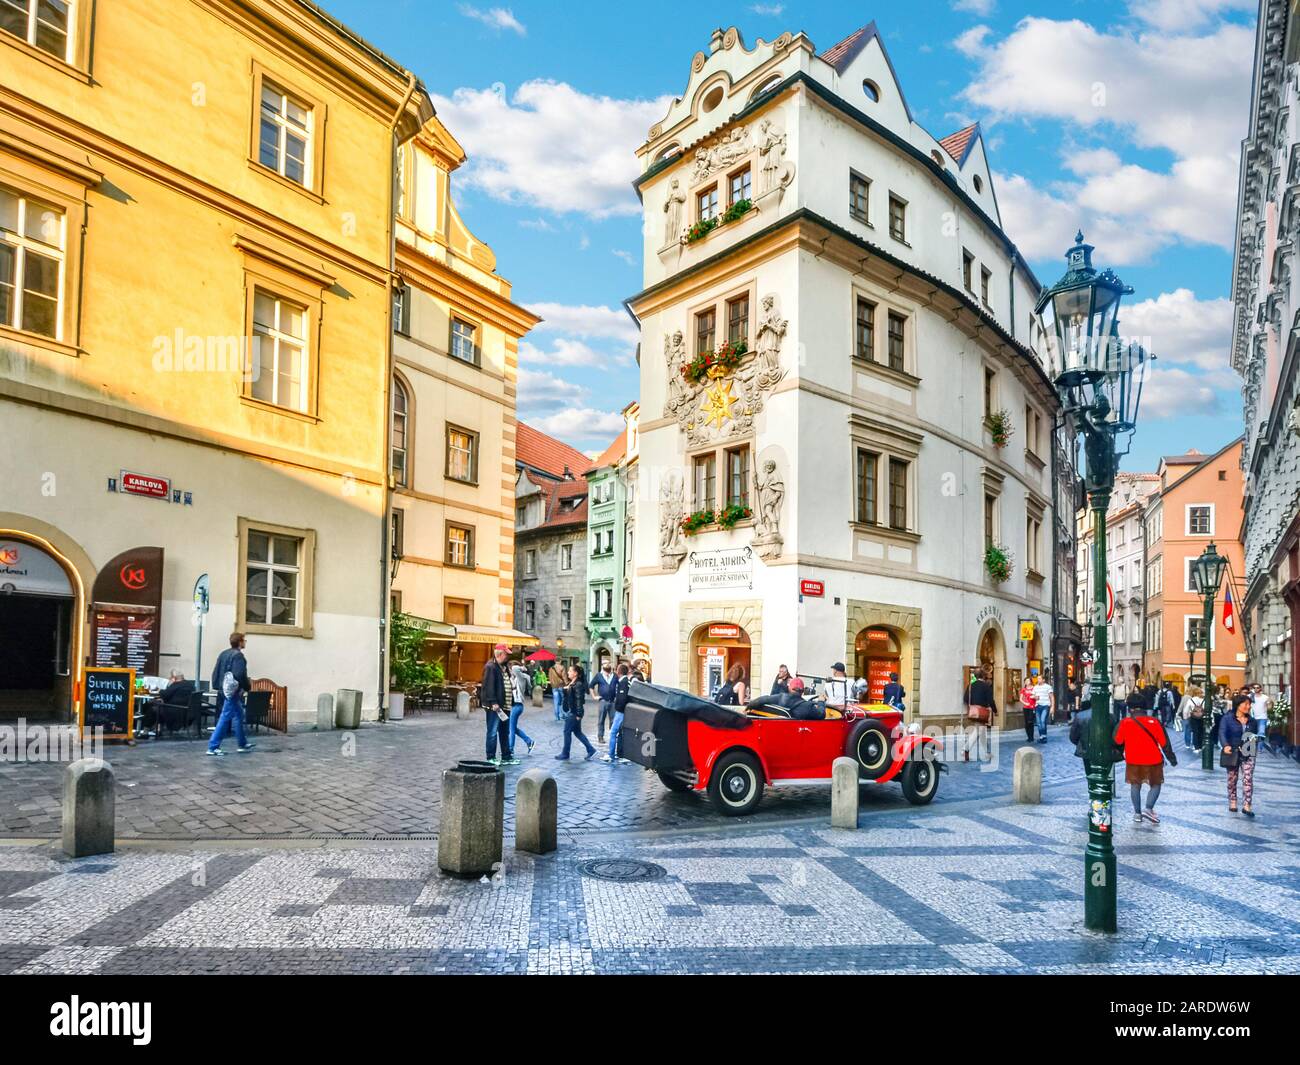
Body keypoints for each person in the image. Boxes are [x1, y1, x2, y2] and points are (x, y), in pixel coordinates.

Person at [1114, 703, 1171, 825]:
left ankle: (1137, 814)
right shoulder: (1154, 721)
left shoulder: (1126, 722)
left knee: (1135, 785)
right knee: (1156, 784)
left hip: (1133, 759)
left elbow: (1118, 740)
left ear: (1131, 709)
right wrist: (1172, 758)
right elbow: (1163, 741)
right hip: (1153, 759)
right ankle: (1149, 808)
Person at [208, 632, 254, 756]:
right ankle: (213, 746)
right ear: (240, 642)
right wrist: (247, 687)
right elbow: (239, 675)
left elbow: (216, 672)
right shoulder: (238, 656)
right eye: (244, 640)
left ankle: (242, 743)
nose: (245, 642)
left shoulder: (223, 654)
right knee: (225, 716)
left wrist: (218, 686)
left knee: (239, 714)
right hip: (232, 691)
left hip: (223, 689)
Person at [1220, 693, 1258, 817]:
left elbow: (1254, 735)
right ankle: (1233, 801)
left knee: (1248, 778)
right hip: (1232, 751)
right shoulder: (1227, 718)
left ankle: (1247, 805)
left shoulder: (1252, 721)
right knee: (1232, 779)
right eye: (1246, 704)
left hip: (1248, 752)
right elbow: (1222, 732)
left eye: (1249, 704)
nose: (1248, 706)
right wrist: (1225, 745)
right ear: (1238, 705)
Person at [479, 643, 514, 765]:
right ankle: (491, 757)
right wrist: (493, 702)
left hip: (505, 705)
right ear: (500, 654)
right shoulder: (491, 667)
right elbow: (489, 686)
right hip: (495, 706)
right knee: (492, 732)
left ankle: (506, 756)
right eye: (506, 654)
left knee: (505, 732)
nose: (507, 657)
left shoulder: (502, 667)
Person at [556, 663, 596, 761]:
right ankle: (590, 749)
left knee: (567, 731)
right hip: (571, 711)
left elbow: (579, 700)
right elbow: (569, 697)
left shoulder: (578, 684)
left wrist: (579, 713)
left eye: (570, 671)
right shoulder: (571, 683)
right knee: (577, 732)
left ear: (575, 673)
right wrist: (566, 690)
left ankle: (565, 753)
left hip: (574, 712)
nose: (568, 672)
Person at [962, 665, 998, 761]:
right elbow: (991, 700)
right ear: (983, 676)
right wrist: (995, 711)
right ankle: (965, 749)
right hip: (982, 712)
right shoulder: (986, 686)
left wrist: (973, 704)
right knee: (978, 731)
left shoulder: (970, 685)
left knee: (982, 733)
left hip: (973, 711)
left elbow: (965, 699)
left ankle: (987, 753)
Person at [144, 669, 196, 735]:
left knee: (152, 708)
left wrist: (165, 686)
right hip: (185, 711)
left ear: (174, 678)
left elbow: (164, 694)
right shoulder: (189, 685)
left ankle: (145, 731)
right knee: (154, 703)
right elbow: (173, 696)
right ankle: (158, 729)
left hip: (175, 712)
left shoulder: (176, 685)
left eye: (170, 677)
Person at [603, 663, 632, 764]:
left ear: (619, 672)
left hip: (621, 712)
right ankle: (619, 754)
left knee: (613, 732)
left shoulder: (623, 682)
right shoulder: (623, 681)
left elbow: (622, 698)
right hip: (621, 711)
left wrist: (618, 708)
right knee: (619, 733)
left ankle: (611, 754)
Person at [508, 660, 535, 758]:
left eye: (510, 668)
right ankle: (529, 741)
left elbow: (515, 669)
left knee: (511, 729)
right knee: (512, 728)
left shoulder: (520, 677)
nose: (510, 670)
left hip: (518, 705)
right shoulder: (515, 678)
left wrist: (522, 667)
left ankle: (510, 750)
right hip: (515, 706)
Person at [590, 661, 619, 744]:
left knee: (613, 720)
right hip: (603, 701)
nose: (607, 665)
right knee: (601, 720)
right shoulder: (599, 675)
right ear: (602, 665)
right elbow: (591, 686)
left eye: (609, 663)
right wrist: (594, 696)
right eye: (605, 663)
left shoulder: (614, 675)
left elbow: (619, 685)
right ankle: (600, 736)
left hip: (613, 701)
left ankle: (612, 736)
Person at [1178, 687, 1204, 751]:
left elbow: (1186, 710)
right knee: (1200, 732)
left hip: (1193, 718)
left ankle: (1196, 747)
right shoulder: (1203, 700)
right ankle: (1200, 746)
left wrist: (1185, 717)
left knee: (1195, 732)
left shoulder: (1191, 700)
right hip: (1201, 717)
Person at [1031, 670, 1054, 743]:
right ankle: (1042, 736)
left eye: (1040, 678)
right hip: (1038, 706)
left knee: (1043, 721)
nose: (1038, 680)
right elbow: (1032, 695)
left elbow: (1052, 697)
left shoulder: (1048, 687)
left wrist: (1052, 707)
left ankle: (1044, 736)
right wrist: (1034, 697)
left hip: (1045, 706)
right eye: (1038, 678)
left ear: (1043, 680)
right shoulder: (1035, 687)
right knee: (1038, 723)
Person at [1250, 685, 1272, 752]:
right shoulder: (1250, 696)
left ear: (1260, 688)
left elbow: (1270, 706)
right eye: (1254, 688)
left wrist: (1269, 704)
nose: (1256, 689)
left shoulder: (1265, 697)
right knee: (1253, 733)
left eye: (1257, 687)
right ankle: (1252, 747)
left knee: (1261, 733)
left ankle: (1260, 748)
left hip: (1263, 717)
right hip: (1253, 717)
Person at [1018, 676, 1037, 743]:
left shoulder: (1034, 688)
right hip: (1026, 707)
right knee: (1026, 723)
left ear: (1031, 681)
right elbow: (1020, 699)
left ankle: (1032, 737)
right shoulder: (1023, 689)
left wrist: (1034, 697)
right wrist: (1025, 703)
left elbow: (1037, 697)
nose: (1026, 682)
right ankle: (1029, 737)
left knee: (1030, 722)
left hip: (1033, 707)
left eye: (1028, 681)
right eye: (1025, 681)